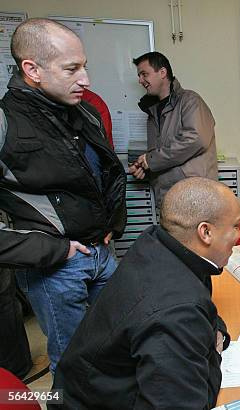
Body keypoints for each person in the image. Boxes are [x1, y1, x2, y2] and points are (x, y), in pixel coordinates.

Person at [0, 18, 126, 372]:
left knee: (117, 346)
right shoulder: (5, 123)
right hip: (57, 266)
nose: (85, 79)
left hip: (102, 251)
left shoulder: (84, 112)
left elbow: (105, 173)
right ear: (32, 69)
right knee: (74, 366)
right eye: (72, 69)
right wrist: (56, 251)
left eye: (84, 67)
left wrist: (112, 224)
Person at [52, 178, 238, 409]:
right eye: (236, 226)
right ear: (206, 232)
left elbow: (203, 313)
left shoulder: (157, 244)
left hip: (85, 389)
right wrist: (214, 352)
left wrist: (213, 332)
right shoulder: (176, 310)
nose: (239, 235)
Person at [128, 51, 218, 206]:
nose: (140, 80)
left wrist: (151, 160)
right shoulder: (152, 112)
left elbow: (196, 140)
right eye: (139, 76)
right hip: (167, 197)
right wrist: (145, 169)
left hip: (194, 197)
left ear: (162, 72)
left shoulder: (190, 101)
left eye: (144, 74)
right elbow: (161, 155)